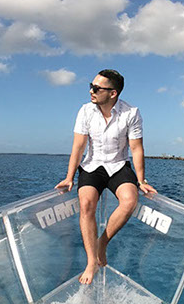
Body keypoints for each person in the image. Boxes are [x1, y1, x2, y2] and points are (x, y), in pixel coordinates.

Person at [55, 69, 157, 285]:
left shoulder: (131, 113)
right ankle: (91, 261)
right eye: (91, 86)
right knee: (86, 204)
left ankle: (101, 243)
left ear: (113, 93)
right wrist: (69, 176)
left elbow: (136, 148)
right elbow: (79, 146)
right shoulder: (85, 111)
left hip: (118, 165)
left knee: (129, 201)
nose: (91, 91)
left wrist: (141, 180)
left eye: (96, 88)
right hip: (92, 166)